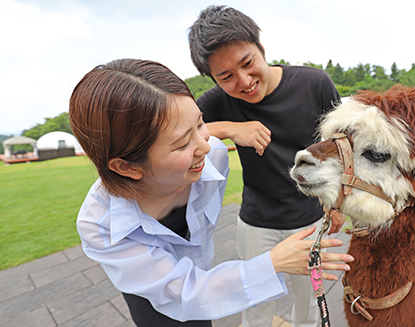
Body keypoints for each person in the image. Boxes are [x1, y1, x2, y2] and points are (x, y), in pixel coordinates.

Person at [69, 59, 352, 327]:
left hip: (204, 275)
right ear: (126, 166)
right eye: (182, 144)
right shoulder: (103, 225)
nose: (204, 146)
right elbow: (182, 292)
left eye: (200, 124)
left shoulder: (212, 159)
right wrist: (273, 262)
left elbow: (204, 291)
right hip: (155, 292)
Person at [188, 6, 346, 327]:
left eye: (247, 63)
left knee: (311, 304)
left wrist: (338, 202)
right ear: (213, 78)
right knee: (256, 307)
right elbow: (179, 131)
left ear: (261, 48)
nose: (244, 81)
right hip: (256, 223)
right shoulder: (218, 101)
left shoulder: (315, 84)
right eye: (226, 76)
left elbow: (341, 146)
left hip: (310, 220)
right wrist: (232, 128)